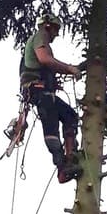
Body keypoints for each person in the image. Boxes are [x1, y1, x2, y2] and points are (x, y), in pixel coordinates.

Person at [19, 13, 82, 183]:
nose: (56, 34)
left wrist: (54, 81)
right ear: (48, 26)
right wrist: (69, 68)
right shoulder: (41, 36)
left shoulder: (40, 39)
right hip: (39, 91)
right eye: (56, 29)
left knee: (70, 115)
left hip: (43, 91)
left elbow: (42, 65)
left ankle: (70, 157)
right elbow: (45, 59)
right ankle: (63, 166)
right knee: (51, 127)